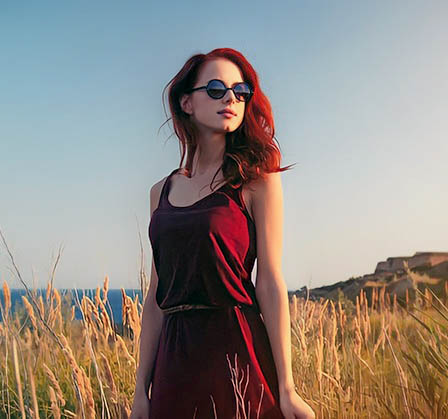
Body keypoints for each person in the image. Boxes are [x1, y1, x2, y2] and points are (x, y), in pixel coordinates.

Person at [130, 48, 315, 419]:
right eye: (215, 89)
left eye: (240, 91)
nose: (230, 97)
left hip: (237, 348)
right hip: (175, 359)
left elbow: (269, 283)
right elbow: (156, 296)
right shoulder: (160, 192)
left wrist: (287, 388)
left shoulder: (256, 183)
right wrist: (141, 391)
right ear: (186, 102)